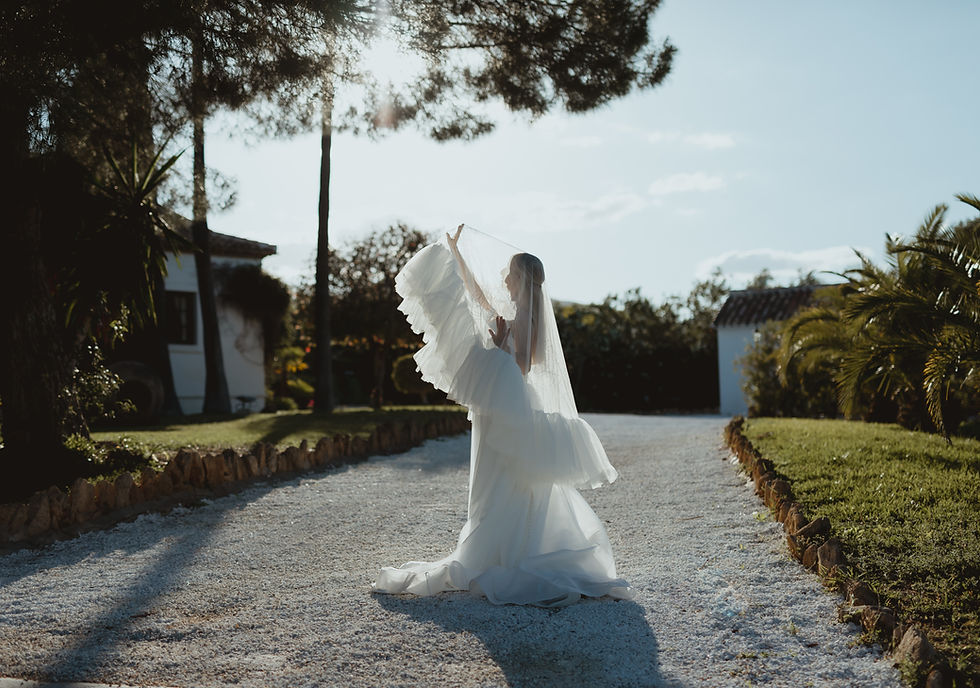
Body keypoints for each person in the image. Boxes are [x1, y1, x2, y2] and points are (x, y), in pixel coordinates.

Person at [373, 224, 631, 607]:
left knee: (507, 479)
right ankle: (499, 548)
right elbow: (477, 298)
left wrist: (499, 347)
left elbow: (524, 363)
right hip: (505, 402)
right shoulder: (521, 311)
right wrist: (457, 255)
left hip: (511, 402)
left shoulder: (527, 317)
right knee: (502, 478)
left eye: (508, 273)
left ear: (520, 279)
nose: (503, 278)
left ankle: (509, 553)